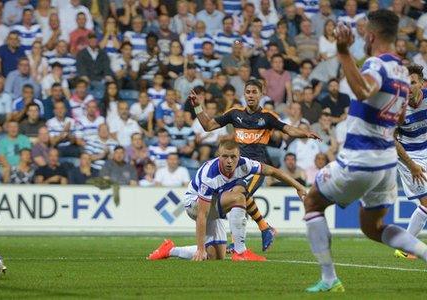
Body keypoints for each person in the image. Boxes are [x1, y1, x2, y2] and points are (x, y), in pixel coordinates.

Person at [303, 11, 427, 293]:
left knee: (312, 202)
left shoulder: (377, 65)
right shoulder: (402, 73)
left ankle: (329, 278)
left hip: (361, 156)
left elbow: (362, 90)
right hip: (386, 163)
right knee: (373, 227)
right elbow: (399, 117)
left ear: (370, 36)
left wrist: (344, 52)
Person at [190, 81, 320, 252]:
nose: (250, 95)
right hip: (236, 166)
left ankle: (241, 241)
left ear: (261, 94)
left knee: (238, 195)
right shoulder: (234, 113)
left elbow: (288, 129)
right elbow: (208, 126)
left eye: (254, 92)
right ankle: (265, 229)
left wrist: (305, 133)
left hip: (256, 167)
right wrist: (198, 108)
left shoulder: (267, 116)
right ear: (244, 94)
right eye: (248, 92)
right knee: (235, 198)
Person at [147, 140, 307, 261]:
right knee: (239, 196)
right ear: (219, 156)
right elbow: (202, 214)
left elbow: (272, 171)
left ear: (239, 157)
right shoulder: (210, 175)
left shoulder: (245, 165)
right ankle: (240, 251)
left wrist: (298, 186)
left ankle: (169, 250)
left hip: (215, 204)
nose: (229, 161)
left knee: (216, 256)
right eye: (225, 157)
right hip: (194, 205)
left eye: (233, 157)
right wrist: (200, 248)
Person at [393, 64, 427, 259]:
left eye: (413, 82)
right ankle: (405, 246)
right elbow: (391, 138)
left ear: (421, 83)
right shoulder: (398, 106)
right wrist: (410, 164)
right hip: (409, 155)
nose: (409, 86)